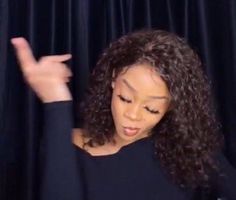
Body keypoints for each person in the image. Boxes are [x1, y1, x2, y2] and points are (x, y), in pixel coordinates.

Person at [11, 30, 236, 200]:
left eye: (152, 109)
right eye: (125, 98)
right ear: (113, 81)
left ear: (172, 107)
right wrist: (56, 102)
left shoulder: (189, 149)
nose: (133, 115)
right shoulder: (66, 144)